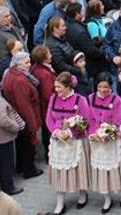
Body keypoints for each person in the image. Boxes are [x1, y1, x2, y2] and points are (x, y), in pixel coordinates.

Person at [85, 72, 121, 212]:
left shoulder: (117, 100)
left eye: (105, 87)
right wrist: (93, 133)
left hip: (111, 139)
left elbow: (117, 121)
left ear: (111, 87)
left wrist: (106, 134)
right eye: (100, 87)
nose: (103, 90)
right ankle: (107, 198)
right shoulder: (90, 98)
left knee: (117, 169)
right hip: (96, 141)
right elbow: (89, 119)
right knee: (102, 171)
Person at [45, 72, 91, 214]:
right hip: (58, 141)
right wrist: (55, 131)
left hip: (75, 140)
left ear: (68, 86)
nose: (56, 90)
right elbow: (48, 119)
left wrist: (70, 133)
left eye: (59, 87)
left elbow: (86, 121)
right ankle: (60, 202)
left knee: (79, 169)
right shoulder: (53, 99)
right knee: (59, 172)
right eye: (56, 87)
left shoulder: (80, 100)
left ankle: (83, 194)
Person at [0, 52, 43, 182]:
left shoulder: (10, 73)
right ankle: (29, 170)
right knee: (27, 145)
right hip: (23, 117)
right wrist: (33, 125)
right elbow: (24, 104)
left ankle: (21, 166)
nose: (29, 65)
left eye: (29, 61)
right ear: (18, 64)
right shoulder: (20, 80)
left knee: (21, 144)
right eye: (26, 62)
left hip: (17, 115)